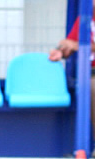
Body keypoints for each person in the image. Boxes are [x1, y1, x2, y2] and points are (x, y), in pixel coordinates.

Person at [49, 1, 95, 140]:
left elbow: (77, 44)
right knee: (91, 87)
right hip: (92, 72)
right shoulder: (85, 18)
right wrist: (61, 52)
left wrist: (76, 45)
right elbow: (70, 43)